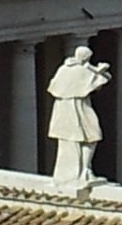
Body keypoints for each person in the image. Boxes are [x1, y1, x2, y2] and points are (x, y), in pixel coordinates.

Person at [47, 46, 111, 186]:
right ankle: (83, 171)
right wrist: (99, 70)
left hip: (63, 107)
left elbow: (54, 86)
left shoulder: (63, 69)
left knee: (75, 139)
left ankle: (79, 172)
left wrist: (93, 70)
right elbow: (102, 80)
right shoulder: (82, 70)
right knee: (92, 135)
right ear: (86, 58)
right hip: (77, 106)